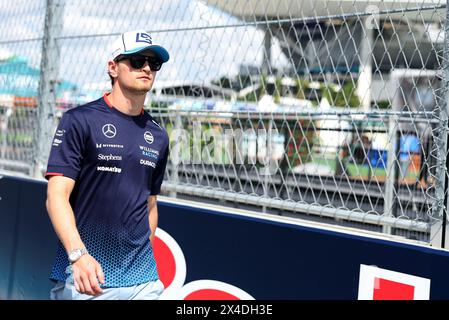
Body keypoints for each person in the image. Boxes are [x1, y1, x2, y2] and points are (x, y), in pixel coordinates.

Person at [45, 30, 170, 300]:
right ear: (113, 67)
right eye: (137, 61)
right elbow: (56, 197)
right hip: (89, 278)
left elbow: (150, 204)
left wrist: (140, 256)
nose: (147, 67)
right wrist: (78, 257)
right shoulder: (79, 120)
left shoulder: (158, 135)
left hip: (144, 281)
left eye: (153, 63)